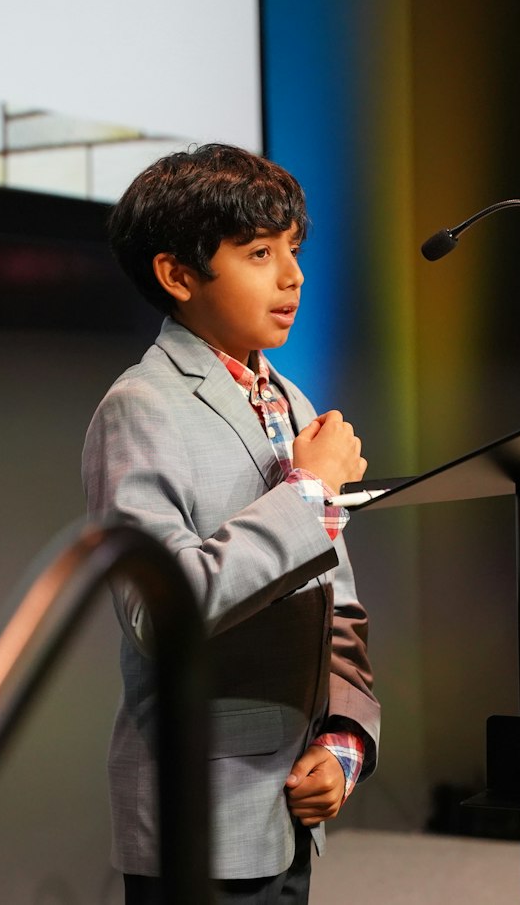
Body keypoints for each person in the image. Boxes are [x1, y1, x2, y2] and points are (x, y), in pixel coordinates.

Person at [83, 143, 380, 904]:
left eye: (293, 250)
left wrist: (343, 743)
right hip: (200, 816)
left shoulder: (295, 402)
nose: (293, 275)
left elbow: (338, 603)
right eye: (259, 253)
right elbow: (158, 606)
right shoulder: (141, 406)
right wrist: (309, 491)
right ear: (178, 274)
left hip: (290, 801)